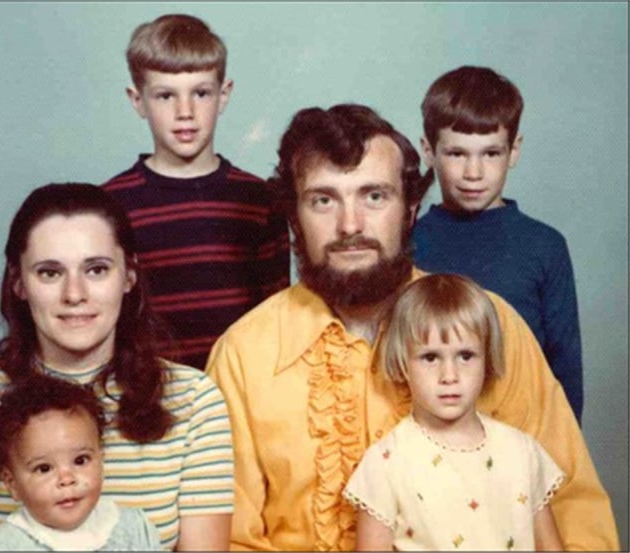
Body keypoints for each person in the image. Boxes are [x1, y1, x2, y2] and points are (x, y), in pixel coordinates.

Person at [205, 103, 618, 551]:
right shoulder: (243, 356)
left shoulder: (491, 325)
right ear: (293, 217)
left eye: (374, 196)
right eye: (323, 200)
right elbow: (228, 540)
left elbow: (575, 511)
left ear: (411, 207)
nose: (350, 225)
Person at [0, 183, 233, 551]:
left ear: (128, 276)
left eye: (96, 270)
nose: (74, 294)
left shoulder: (194, 402)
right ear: (18, 283)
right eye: (50, 273)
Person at [103, 14, 290, 370]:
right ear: (137, 100)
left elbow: (276, 314)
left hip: (239, 389)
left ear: (223, 95)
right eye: (165, 96)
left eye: (200, 93)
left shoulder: (259, 200)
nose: (185, 112)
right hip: (148, 392)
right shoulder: (110, 205)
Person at [412, 65, 583, 423]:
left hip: (523, 443)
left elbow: (565, 372)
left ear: (514, 150)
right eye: (457, 154)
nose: (473, 173)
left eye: (490, 154)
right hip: (427, 449)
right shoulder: (407, 243)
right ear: (428, 150)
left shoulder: (545, 247)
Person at [343, 273, 564, 551]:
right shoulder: (385, 463)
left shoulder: (521, 451)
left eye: (466, 356)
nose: (450, 375)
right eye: (430, 357)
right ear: (402, 363)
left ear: (487, 359)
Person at [0, 375, 162, 550]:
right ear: (12, 483)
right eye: (44, 468)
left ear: (101, 459)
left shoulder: (134, 529)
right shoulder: (2, 546)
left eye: (80, 461)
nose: (66, 479)